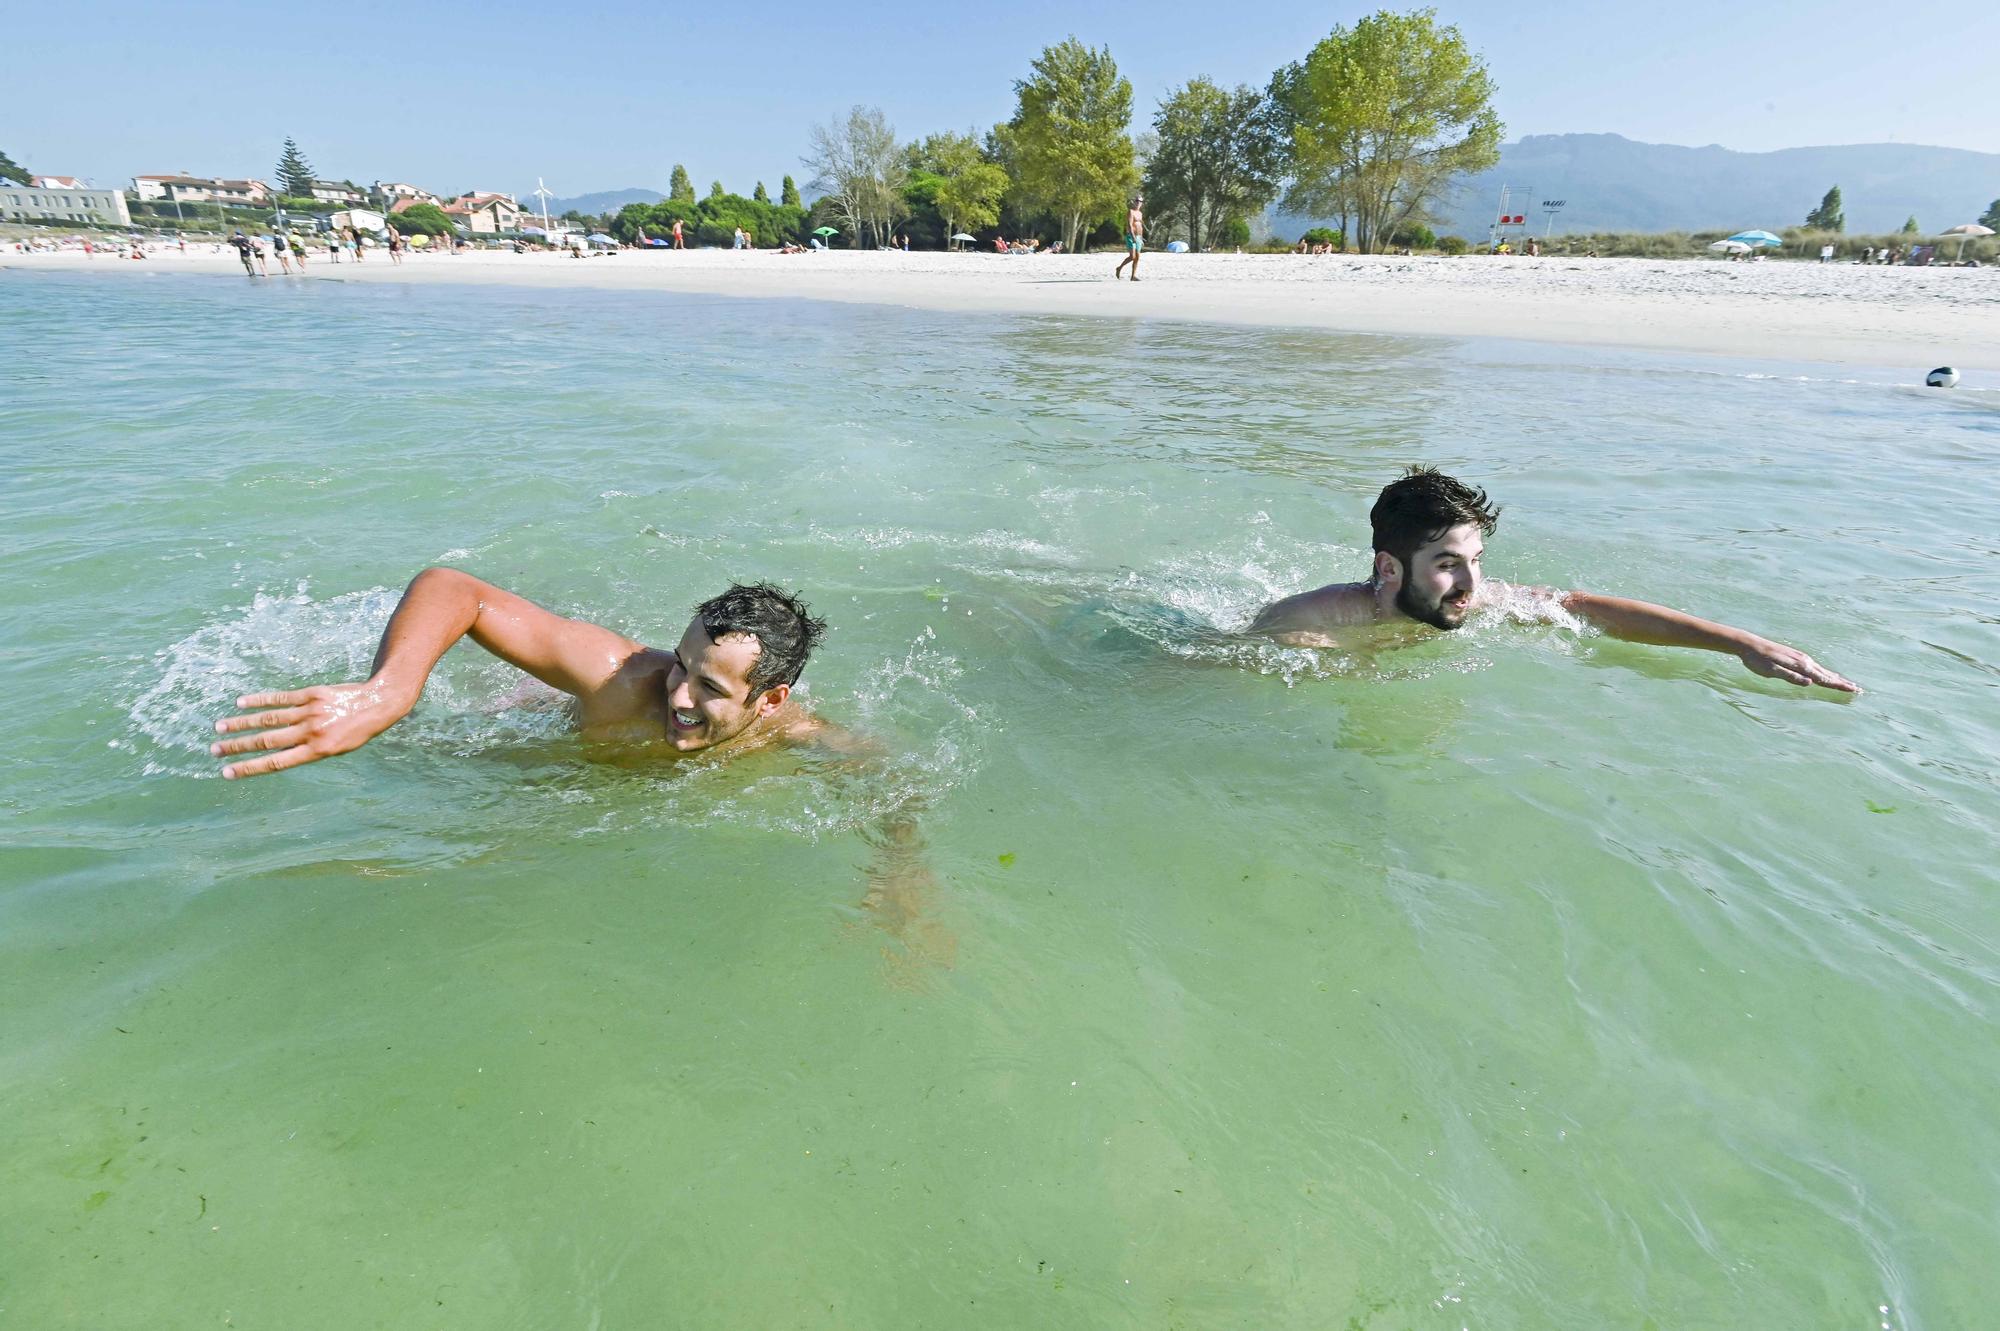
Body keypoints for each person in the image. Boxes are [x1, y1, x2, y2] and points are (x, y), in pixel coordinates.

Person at [1249, 467, 1858, 692]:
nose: (1470, 582)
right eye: (1446, 564)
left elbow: (1587, 608)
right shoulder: (1312, 619)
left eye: (1476, 559)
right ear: (1388, 568)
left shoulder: (1474, 602)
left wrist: (1739, 643)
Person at [209, 569, 831, 779]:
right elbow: (454, 589)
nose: (679, 694)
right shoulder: (619, 677)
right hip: (529, 723)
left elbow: (886, 778)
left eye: (711, 688)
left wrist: (900, 878)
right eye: (683, 666)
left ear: (771, 702)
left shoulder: (790, 734)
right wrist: (390, 691)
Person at [1114, 194, 1144, 281]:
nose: (1139, 203)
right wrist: (1133, 236)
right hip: (1131, 236)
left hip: (1138, 237)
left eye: (1140, 201)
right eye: (1137, 201)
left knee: (1137, 257)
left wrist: (1141, 237)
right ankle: (1119, 268)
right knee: (1132, 256)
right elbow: (1130, 225)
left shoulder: (1140, 213)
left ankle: (1133, 276)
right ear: (1134, 202)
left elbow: (1140, 226)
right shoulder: (1131, 212)